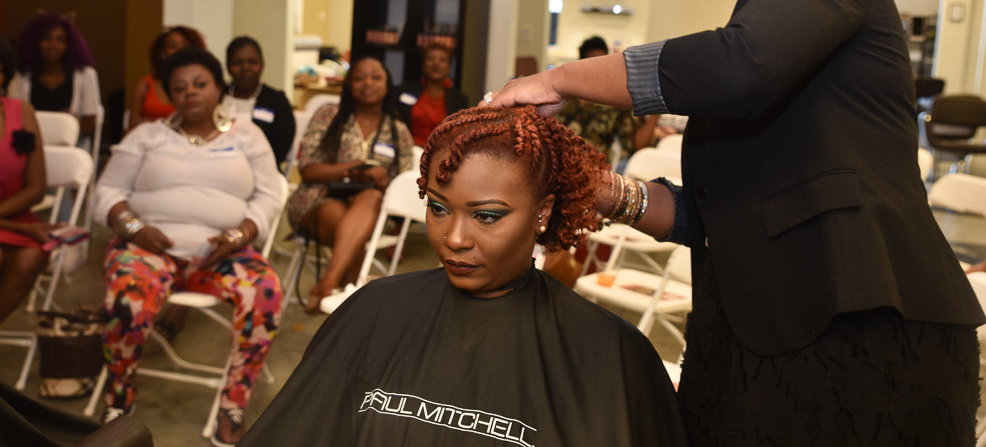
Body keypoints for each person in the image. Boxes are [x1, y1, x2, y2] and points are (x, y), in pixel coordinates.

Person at [486, 0, 984, 445]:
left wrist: (557, 79)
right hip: (752, 338)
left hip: (862, 335)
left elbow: (735, 68)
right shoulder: (771, 33)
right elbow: (723, 216)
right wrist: (599, 189)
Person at [241, 106, 687, 446]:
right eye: (438, 208)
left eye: (487, 216)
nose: (453, 238)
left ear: (542, 212)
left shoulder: (609, 353)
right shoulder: (372, 310)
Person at [94, 47, 284, 446]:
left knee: (265, 291)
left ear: (218, 88)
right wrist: (134, 229)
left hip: (221, 254)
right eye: (179, 87)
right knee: (128, 299)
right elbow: (107, 191)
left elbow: (269, 196)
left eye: (200, 84)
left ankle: (233, 403)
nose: (190, 92)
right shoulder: (147, 136)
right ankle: (118, 398)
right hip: (148, 250)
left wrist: (238, 236)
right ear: (169, 94)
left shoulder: (247, 135)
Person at [287, 55, 413, 314]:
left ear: (387, 85)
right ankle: (340, 295)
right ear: (348, 84)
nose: (368, 83)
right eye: (359, 78)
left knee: (370, 199)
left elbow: (404, 186)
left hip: (373, 209)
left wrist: (381, 180)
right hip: (317, 199)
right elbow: (308, 169)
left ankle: (329, 283)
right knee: (343, 222)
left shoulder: (398, 130)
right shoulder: (329, 115)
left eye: (376, 77)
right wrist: (357, 169)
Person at [0, 36, 52, 324]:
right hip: (12, 223)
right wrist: (23, 228)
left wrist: (17, 225)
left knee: (30, 256)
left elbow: (36, 188)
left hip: (13, 214)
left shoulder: (22, 112)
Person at [556, 36, 659, 169]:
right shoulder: (565, 94)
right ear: (580, 64)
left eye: (601, 63)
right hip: (556, 164)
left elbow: (636, 145)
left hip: (592, 170)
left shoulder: (614, 102)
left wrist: (656, 111)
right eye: (591, 63)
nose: (597, 70)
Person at [8, 12, 101, 146]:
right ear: (35, 42)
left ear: (70, 45)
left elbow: (88, 127)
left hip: (72, 148)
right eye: (46, 38)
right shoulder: (22, 76)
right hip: (30, 146)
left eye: (61, 40)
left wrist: (67, 125)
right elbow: (13, 120)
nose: (53, 45)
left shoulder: (85, 74)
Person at [221, 36, 295, 168]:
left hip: (262, 169)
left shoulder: (277, 101)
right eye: (238, 63)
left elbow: (281, 148)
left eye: (252, 62)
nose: (246, 67)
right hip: (217, 166)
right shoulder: (216, 97)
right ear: (228, 67)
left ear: (262, 65)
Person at [127, 25, 205, 131]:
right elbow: (132, 127)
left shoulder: (203, 85)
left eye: (185, 46)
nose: (180, 51)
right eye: (173, 46)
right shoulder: (144, 85)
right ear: (162, 53)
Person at [395, 41, 468, 147]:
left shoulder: (458, 99)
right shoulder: (406, 91)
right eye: (431, 59)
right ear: (423, 65)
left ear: (449, 67)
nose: (436, 64)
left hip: (442, 152)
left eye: (442, 60)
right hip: (408, 149)